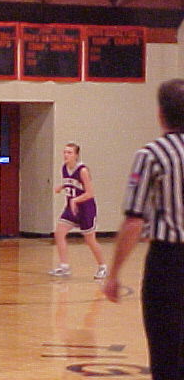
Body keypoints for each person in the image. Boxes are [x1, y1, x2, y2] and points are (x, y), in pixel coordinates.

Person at [103, 78, 184, 380]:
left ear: (161, 113)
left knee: (166, 351)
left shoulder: (152, 154)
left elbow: (134, 219)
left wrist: (114, 274)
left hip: (169, 262)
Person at [48, 143, 107, 279]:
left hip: (86, 209)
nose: (66, 155)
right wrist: (62, 187)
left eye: (69, 152)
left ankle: (103, 266)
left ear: (76, 155)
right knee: (59, 233)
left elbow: (90, 193)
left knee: (90, 240)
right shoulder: (64, 168)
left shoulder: (83, 170)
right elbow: (71, 183)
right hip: (71, 208)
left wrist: (75, 200)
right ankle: (64, 267)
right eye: (65, 152)